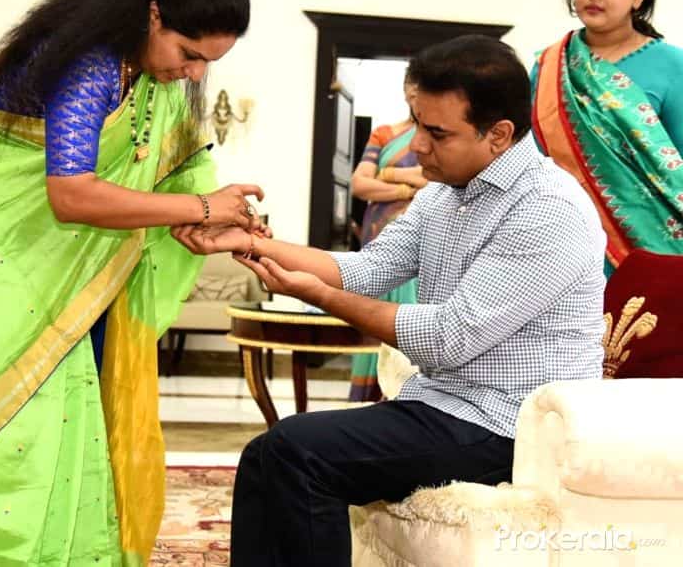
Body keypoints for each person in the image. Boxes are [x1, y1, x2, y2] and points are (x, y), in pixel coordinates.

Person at [172, 35, 608, 567]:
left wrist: (320, 296)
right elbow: (369, 269)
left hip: (506, 424)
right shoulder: (443, 195)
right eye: (417, 123)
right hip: (445, 404)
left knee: (296, 453)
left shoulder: (547, 209)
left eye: (437, 133)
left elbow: (448, 338)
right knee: (270, 454)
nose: (417, 145)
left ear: (498, 134)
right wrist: (249, 242)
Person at [0, 0, 263, 565]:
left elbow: (176, 181)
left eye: (210, 61)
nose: (195, 73)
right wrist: (201, 208)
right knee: (2, 425)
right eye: (189, 53)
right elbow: (71, 194)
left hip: (68, 262)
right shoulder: (90, 62)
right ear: (154, 15)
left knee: (68, 413)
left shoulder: (152, 80)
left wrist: (211, 222)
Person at [532, 0, 683, 276]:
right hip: (559, 245)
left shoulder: (673, 66)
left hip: (651, 253)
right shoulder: (549, 66)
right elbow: (530, 160)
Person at [347, 62, 426, 401]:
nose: (415, 95)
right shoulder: (385, 133)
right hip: (380, 236)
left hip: (423, 239)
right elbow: (359, 184)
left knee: (413, 316)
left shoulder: (441, 137)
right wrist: (407, 186)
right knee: (374, 313)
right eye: (412, 88)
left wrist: (388, 175)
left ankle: (408, 397)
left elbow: (435, 181)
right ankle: (368, 400)